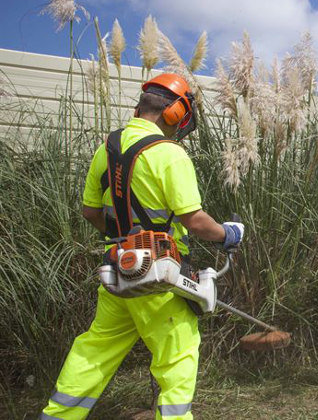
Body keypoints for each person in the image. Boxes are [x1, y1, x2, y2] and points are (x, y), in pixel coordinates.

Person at [41, 74, 245, 419]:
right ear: (176, 113)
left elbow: (90, 211)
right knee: (178, 352)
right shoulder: (169, 154)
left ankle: (58, 415)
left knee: (97, 347)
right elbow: (194, 221)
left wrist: (125, 237)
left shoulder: (105, 150)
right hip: (159, 277)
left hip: (119, 267)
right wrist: (228, 234)